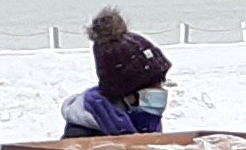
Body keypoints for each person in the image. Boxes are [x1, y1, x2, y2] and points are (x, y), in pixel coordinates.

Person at [62, 7, 172, 136]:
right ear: (124, 95)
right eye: (151, 87)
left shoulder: (144, 127)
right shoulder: (81, 141)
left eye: (161, 82)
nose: (160, 92)